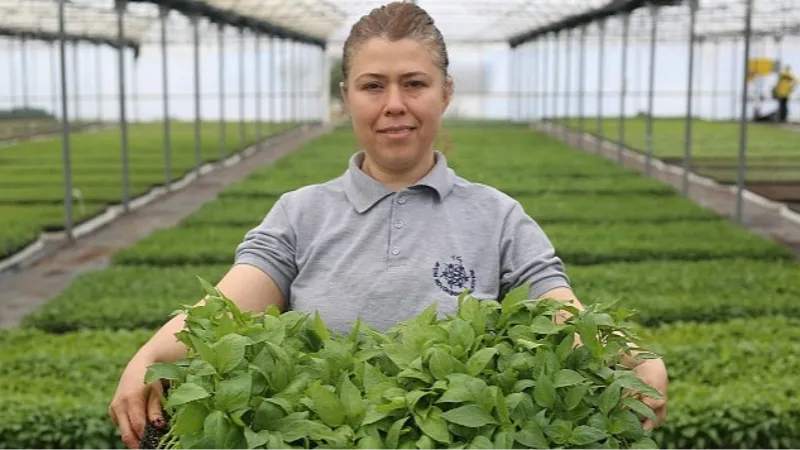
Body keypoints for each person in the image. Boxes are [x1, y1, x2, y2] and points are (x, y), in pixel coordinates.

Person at [107, 2, 669, 448]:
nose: (394, 103)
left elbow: (563, 310)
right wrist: (148, 358)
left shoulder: (496, 216)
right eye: (373, 85)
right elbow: (225, 307)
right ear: (346, 97)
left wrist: (639, 360)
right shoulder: (301, 212)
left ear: (444, 93)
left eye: (415, 84)